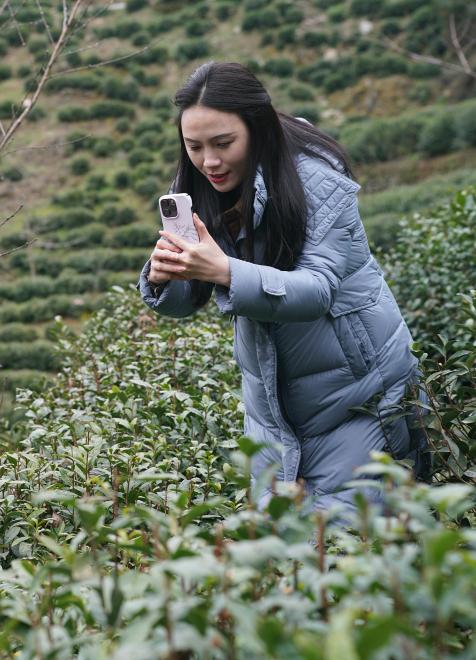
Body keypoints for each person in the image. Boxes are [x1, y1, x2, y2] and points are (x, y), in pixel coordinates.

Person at [140, 61, 425, 513]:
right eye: (194, 146)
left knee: (356, 549)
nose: (209, 160)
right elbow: (184, 302)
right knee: (288, 556)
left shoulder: (317, 178)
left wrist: (224, 271)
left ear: (257, 128)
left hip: (360, 398)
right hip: (273, 415)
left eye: (223, 143)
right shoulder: (200, 184)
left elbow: (317, 290)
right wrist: (165, 277)